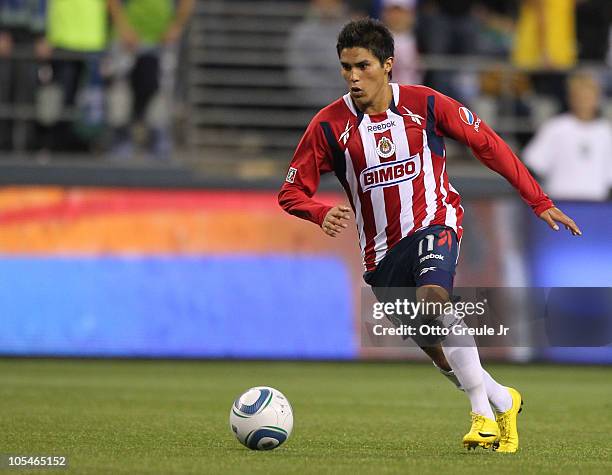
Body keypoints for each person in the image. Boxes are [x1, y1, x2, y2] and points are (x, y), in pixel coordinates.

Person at [278, 18, 581, 452]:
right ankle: (502, 398)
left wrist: (538, 200)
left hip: (435, 223)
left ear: (388, 64)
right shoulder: (328, 126)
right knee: (437, 350)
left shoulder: (426, 104)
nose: (352, 76)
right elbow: (290, 191)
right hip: (380, 255)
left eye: (362, 66)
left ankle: (481, 416)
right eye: (345, 67)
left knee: (435, 297)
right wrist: (317, 211)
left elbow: (488, 144)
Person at [107, 0, 195, 160]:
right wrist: (123, 27)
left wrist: (177, 26)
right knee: (120, 86)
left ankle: (158, 137)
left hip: (162, 37)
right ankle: (121, 137)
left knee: (161, 88)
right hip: (127, 36)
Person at [523, 71, 612, 201]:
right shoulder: (555, 127)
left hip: (597, 205)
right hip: (559, 202)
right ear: (571, 98)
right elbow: (533, 164)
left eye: (588, 97)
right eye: (579, 97)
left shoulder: (606, 131)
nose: (583, 102)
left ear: (596, 99)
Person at [380, 0, 421, 86]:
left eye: (401, 12)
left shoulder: (424, 40)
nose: (396, 17)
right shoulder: (375, 41)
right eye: (392, 12)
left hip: (413, 93)